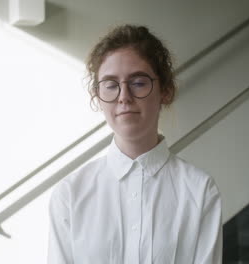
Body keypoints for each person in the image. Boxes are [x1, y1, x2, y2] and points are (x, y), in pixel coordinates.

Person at [48, 24, 222, 264]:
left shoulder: (200, 190)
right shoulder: (70, 194)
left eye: (138, 82)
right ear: (98, 97)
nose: (124, 97)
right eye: (110, 84)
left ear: (165, 91)